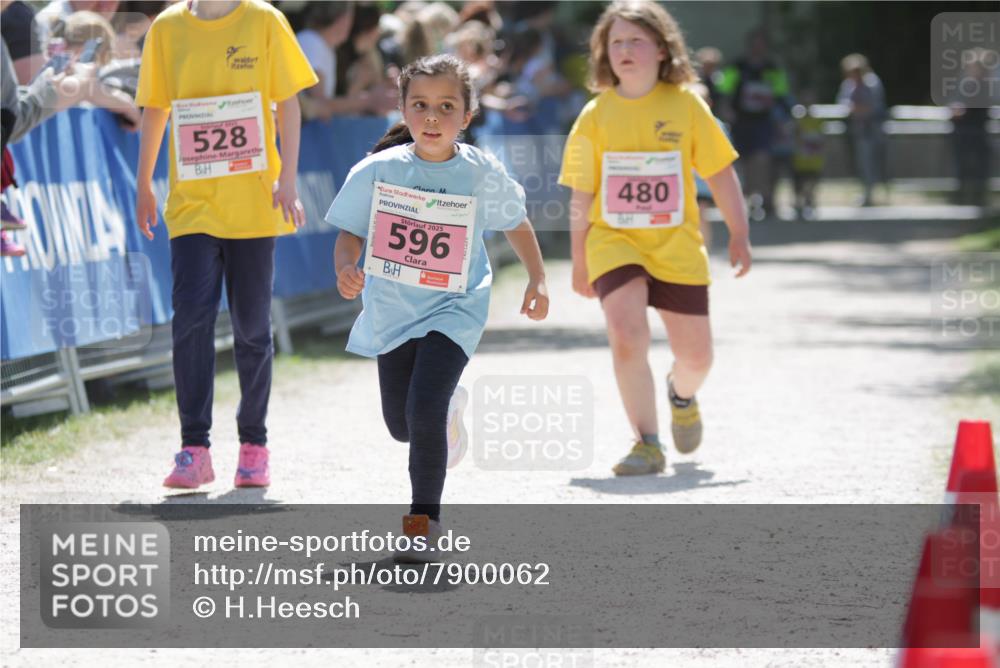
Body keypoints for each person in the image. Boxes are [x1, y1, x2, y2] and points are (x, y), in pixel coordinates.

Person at [324, 54, 548, 560]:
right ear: (402, 110)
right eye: (420, 105)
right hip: (393, 311)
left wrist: (537, 277)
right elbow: (349, 233)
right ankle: (448, 415)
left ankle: (423, 524)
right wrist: (346, 269)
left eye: (446, 107)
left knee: (421, 412)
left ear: (466, 116)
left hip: (456, 307)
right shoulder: (378, 170)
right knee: (401, 425)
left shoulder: (480, 170)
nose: (431, 117)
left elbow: (515, 220)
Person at [559, 0, 751, 476]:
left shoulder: (686, 105)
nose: (624, 49)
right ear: (604, 52)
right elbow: (581, 193)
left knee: (697, 357)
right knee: (626, 335)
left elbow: (722, 175)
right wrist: (579, 258)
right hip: (614, 241)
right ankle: (646, 442)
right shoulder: (595, 114)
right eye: (616, 41)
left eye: (636, 41)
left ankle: (681, 394)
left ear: (663, 50)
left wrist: (740, 233)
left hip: (676, 246)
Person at [134, 0, 318, 489]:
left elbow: (290, 104)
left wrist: (289, 181)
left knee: (252, 328)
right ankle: (194, 447)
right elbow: (156, 107)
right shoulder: (168, 28)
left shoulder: (264, 20)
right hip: (193, 206)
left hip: (254, 205)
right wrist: (144, 183)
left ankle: (254, 445)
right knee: (190, 318)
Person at [715, 28, 791, 220]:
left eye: (762, 43)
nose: (758, 47)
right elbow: (723, 89)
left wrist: (782, 119)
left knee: (763, 159)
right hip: (741, 122)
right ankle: (748, 200)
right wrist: (726, 110)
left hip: (764, 122)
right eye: (755, 43)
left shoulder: (772, 67)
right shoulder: (738, 66)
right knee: (744, 162)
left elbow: (781, 94)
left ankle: (766, 198)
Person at [837, 53, 886, 207]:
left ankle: (871, 193)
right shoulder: (848, 85)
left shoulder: (873, 83)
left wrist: (861, 109)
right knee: (860, 162)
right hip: (855, 130)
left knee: (872, 161)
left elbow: (876, 106)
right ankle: (866, 192)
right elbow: (843, 103)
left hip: (872, 129)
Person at [791, 89, 824, 220]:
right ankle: (799, 204)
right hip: (800, 159)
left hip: (814, 158)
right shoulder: (797, 120)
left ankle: (810, 203)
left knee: (812, 181)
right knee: (800, 182)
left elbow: (822, 138)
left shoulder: (818, 120)